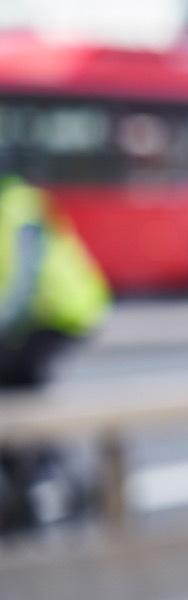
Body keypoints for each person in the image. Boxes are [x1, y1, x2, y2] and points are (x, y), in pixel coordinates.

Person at [0, 161, 111, 531]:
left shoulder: (20, 205)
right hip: (39, 319)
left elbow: (23, 283)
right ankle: (30, 478)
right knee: (18, 397)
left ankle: (56, 481)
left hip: (64, 313)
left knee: (15, 393)